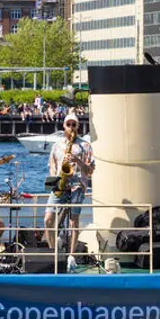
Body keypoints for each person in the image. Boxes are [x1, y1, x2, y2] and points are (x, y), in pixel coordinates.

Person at [44, 112, 93, 263]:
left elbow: (90, 171)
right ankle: (53, 252)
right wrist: (55, 178)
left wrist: (77, 159)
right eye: (68, 124)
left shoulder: (85, 145)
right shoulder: (57, 145)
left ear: (78, 126)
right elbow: (51, 165)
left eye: (74, 124)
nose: (71, 127)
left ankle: (72, 255)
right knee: (48, 219)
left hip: (77, 186)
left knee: (73, 221)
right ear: (63, 126)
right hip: (60, 184)